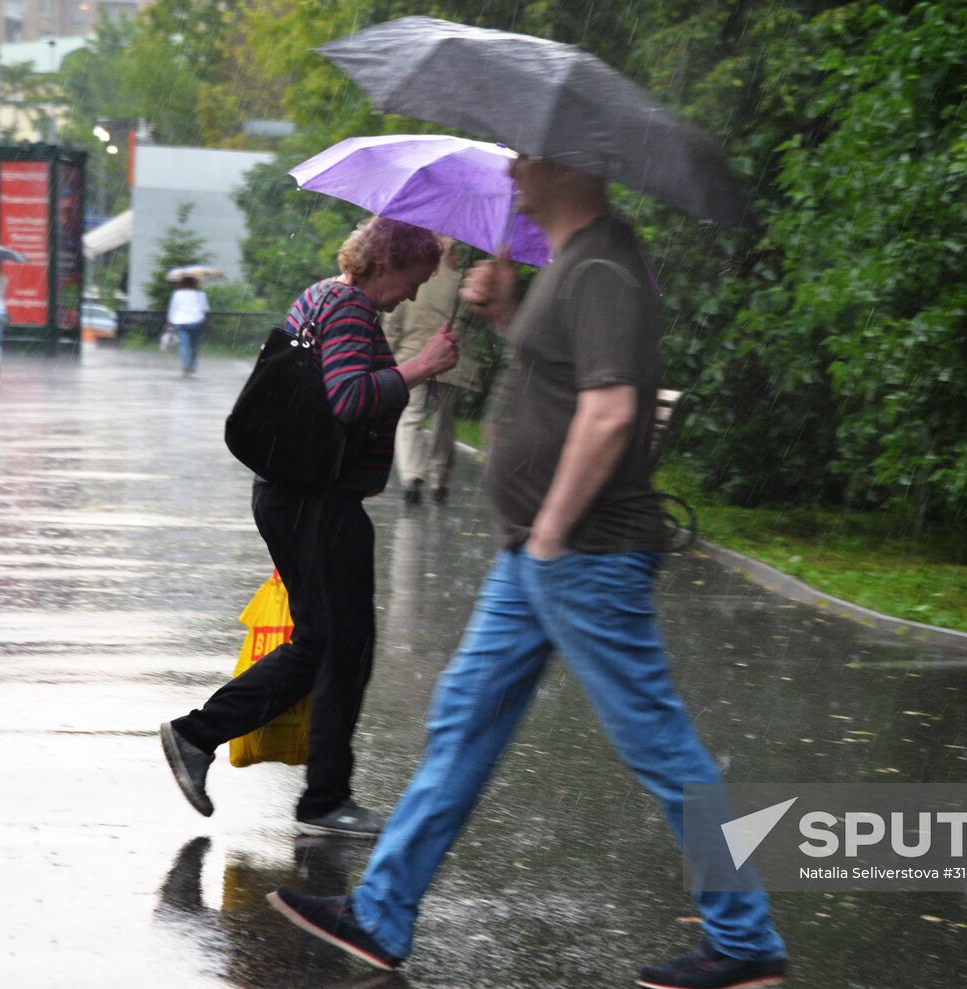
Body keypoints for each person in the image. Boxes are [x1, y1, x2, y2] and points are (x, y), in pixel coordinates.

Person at [265, 159, 788, 988]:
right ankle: (381, 912)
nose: (513, 169)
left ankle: (743, 933)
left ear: (570, 167)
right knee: (463, 723)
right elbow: (564, 377)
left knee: (658, 742)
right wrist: (509, 312)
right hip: (541, 553)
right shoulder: (571, 263)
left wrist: (548, 530)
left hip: (584, 552)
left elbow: (611, 409)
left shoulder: (607, 266)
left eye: (528, 156)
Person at [159, 218, 460, 838]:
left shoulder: (323, 295)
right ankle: (311, 792)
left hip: (296, 497)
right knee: (341, 646)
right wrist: (419, 367)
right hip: (316, 503)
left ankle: (217, 744)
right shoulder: (348, 308)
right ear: (387, 262)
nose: (411, 294)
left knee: (326, 642)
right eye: (413, 278)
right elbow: (347, 399)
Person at [383, 235, 483, 505]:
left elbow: (394, 323)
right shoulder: (461, 283)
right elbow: (470, 323)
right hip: (449, 361)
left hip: (411, 357)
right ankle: (439, 479)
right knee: (443, 421)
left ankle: (412, 477)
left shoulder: (411, 278)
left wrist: (385, 355)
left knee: (411, 417)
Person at [166, 275, 210, 376]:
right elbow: (205, 310)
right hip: (196, 321)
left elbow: (173, 308)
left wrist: (169, 322)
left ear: (182, 283)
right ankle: (192, 366)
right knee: (194, 345)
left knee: (184, 346)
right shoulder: (201, 294)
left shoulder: (177, 294)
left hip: (180, 322)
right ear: (195, 284)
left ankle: (185, 368)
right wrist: (206, 322)